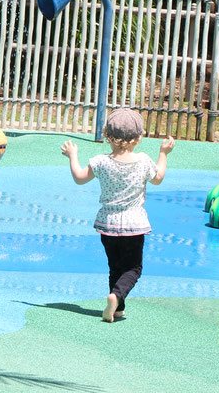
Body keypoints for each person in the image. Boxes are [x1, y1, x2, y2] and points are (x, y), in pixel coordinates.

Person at [61, 108, 175, 322]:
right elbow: (158, 178)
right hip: (134, 223)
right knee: (133, 268)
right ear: (138, 137)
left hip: (108, 223)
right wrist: (163, 153)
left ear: (107, 135)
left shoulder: (101, 161)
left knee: (115, 266)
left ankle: (117, 308)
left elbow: (79, 177)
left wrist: (72, 155)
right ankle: (116, 296)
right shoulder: (142, 161)